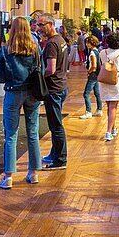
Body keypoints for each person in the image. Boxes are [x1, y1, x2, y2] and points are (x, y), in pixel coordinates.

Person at [0, 16, 42, 190]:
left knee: (11, 134)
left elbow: (0, 77)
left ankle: (8, 176)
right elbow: (41, 70)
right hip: (32, 93)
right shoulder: (35, 48)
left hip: (13, 92)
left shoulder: (5, 51)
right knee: (33, 132)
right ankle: (33, 173)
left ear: (12, 30)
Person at [39, 14, 70, 170]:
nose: (38, 28)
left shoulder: (52, 44)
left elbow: (50, 69)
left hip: (54, 88)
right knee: (54, 123)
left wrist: (38, 76)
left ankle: (60, 159)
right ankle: (54, 153)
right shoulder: (60, 40)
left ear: (50, 24)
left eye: (41, 25)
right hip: (61, 86)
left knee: (56, 125)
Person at [98, 32, 119, 141]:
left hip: (104, 81)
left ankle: (113, 128)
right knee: (113, 107)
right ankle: (108, 132)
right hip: (116, 81)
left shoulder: (102, 52)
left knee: (109, 106)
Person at [79, 35, 101, 119]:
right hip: (97, 75)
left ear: (91, 43)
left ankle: (88, 111)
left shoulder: (92, 53)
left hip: (93, 75)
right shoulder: (97, 51)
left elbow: (94, 65)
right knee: (97, 93)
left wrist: (89, 71)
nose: (86, 44)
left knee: (86, 93)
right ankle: (99, 109)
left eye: (87, 43)